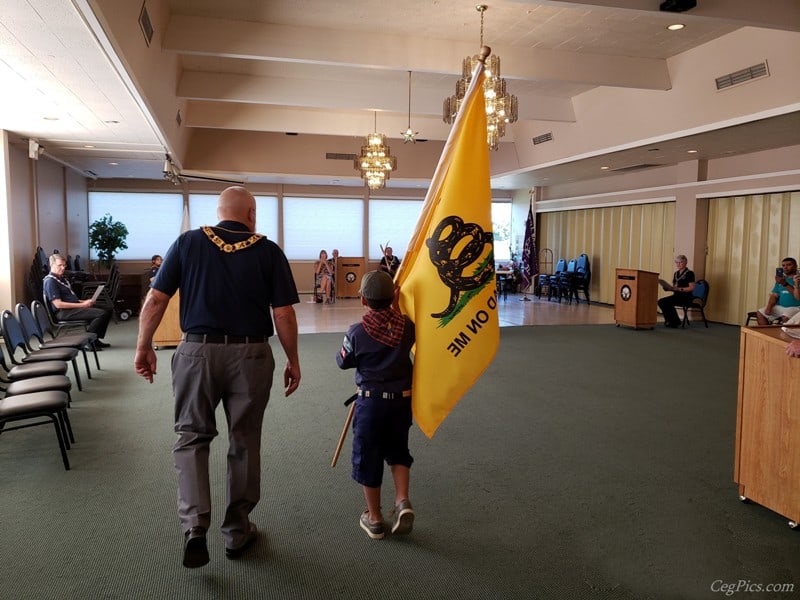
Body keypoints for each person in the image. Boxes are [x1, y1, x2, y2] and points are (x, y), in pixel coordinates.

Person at [133, 186, 301, 569]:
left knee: (191, 438)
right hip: (251, 354)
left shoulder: (188, 243)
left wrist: (143, 345)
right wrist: (293, 359)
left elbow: (156, 299)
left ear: (218, 211)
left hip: (196, 352)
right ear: (252, 214)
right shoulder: (269, 251)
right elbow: (284, 314)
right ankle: (237, 532)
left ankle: (194, 526)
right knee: (244, 441)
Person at [335, 270, 416, 540]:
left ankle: (375, 518)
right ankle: (402, 501)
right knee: (398, 451)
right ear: (394, 297)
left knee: (368, 457)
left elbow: (342, 361)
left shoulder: (357, 332)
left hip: (371, 404)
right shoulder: (407, 327)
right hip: (402, 401)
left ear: (362, 301)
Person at [43, 253, 112, 348]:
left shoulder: (61, 279)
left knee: (108, 309)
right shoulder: (50, 281)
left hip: (72, 308)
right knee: (101, 313)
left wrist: (84, 302)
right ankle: (88, 341)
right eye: (60, 265)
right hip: (63, 312)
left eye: (64, 265)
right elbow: (58, 304)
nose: (63, 268)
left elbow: (71, 299)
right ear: (51, 265)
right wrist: (83, 305)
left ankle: (95, 339)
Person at [755, 257, 800, 325]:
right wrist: (769, 307)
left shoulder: (798, 279)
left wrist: (784, 284)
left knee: (785, 317)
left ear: (796, 266)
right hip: (780, 307)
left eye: (789, 265)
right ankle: (766, 334)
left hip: (795, 307)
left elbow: (797, 296)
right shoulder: (780, 280)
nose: (785, 267)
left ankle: (781, 334)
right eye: (783, 265)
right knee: (760, 313)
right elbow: (774, 295)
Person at [657, 254, 696, 328]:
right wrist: (668, 288)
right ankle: (670, 320)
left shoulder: (690, 273)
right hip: (677, 296)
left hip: (686, 297)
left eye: (680, 262)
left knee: (668, 302)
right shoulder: (676, 274)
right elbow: (675, 287)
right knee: (661, 302)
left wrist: (679, 289)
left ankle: (675, 322)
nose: (678, 264)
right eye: (677, 262)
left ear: (685, 263)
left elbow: (692, 288)